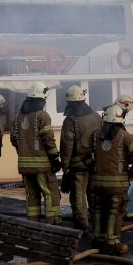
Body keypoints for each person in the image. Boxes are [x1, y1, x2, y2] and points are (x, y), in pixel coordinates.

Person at [88, 104, 133, 254]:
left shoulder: (94, 135)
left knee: (98, 210)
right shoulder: (125, 136)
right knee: (115, 211)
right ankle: (112, 243)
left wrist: (93, 169)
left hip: (97, 183)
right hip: (117, 185)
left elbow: (85, 154)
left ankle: (97, 240)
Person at [11, 82, 62, 223]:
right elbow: (48, 139)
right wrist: (55, 158)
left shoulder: (17, 117)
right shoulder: (42, 116)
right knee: (50, 193)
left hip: (24, 165)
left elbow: (14, 139)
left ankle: (33, 222)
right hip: (42, 165)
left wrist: (24, 152)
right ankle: (53, 222)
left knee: (32, 195)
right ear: (41, 99)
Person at [58, 85, 102, 233]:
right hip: (95, 164)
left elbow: (66, 146)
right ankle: (97, 224)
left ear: (71, 102)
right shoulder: (96, 116)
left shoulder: (71, 120)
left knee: (78, 198)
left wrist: (65, 166)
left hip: (78, 167)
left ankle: (82, 226)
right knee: (94, 195)